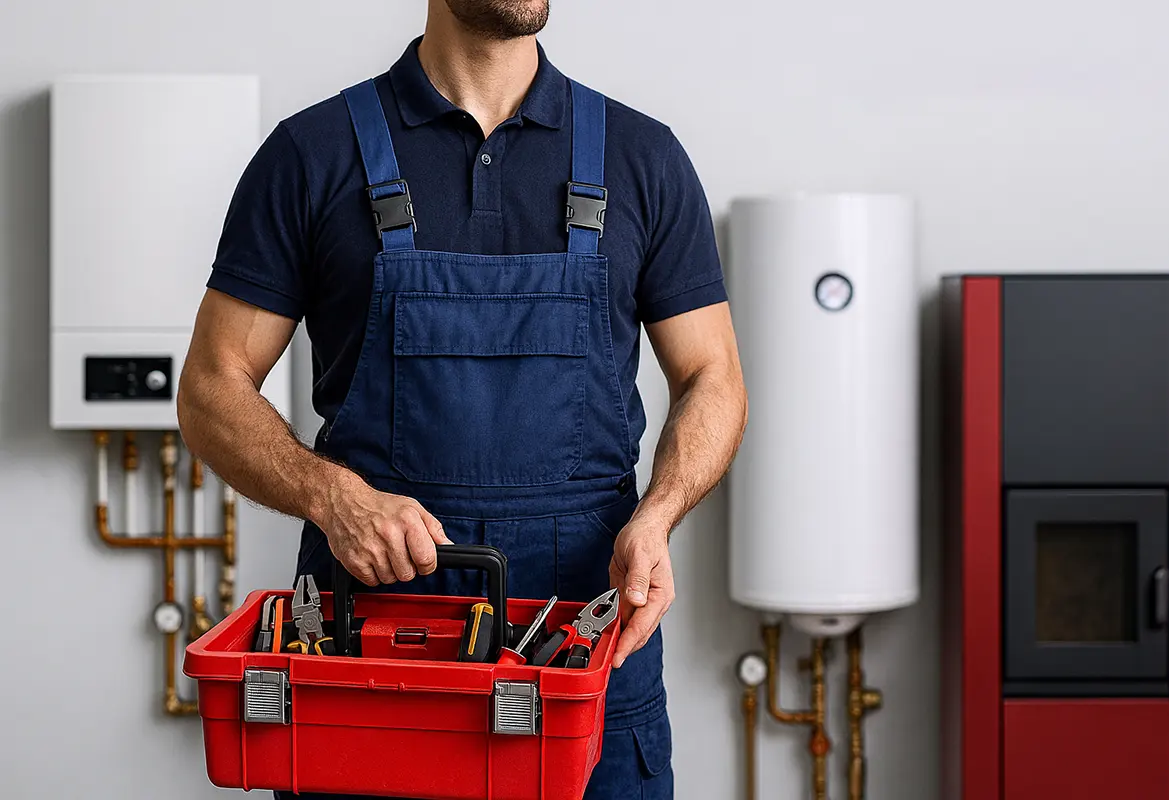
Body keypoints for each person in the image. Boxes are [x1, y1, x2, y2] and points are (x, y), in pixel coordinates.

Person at [178, 1, 747, 797]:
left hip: (580, 633)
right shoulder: (311, 154)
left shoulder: (641, 156)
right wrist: (332, 498)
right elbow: (210, 387)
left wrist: (658, 515)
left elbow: (712, 375)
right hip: (376, 647)